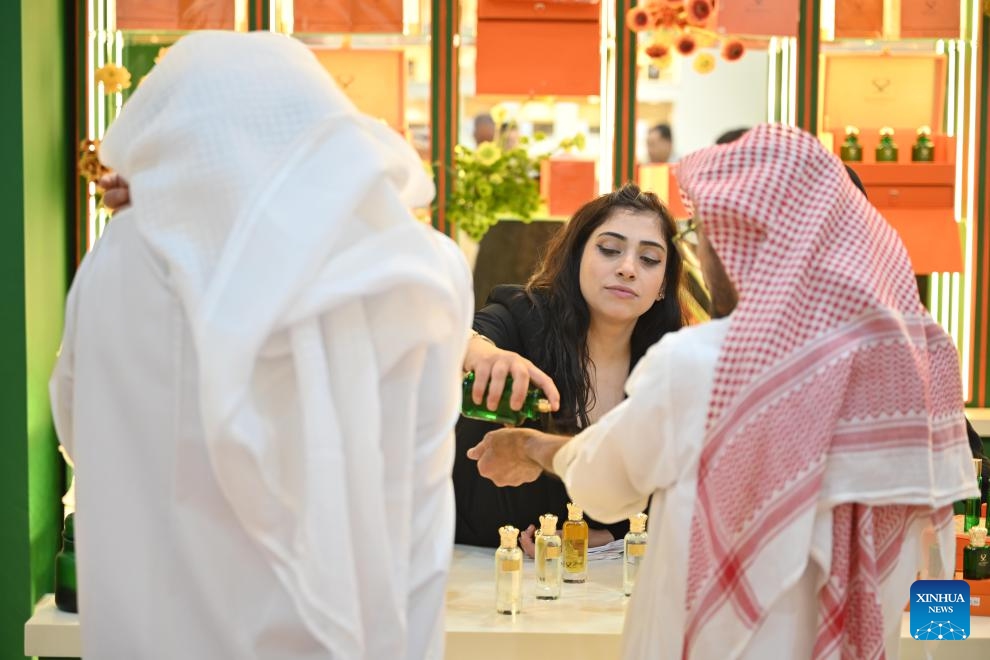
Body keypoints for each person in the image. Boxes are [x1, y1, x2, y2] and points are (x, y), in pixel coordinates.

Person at [467, 124, 977, 657]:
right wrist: (942, 641)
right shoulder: (921, 369)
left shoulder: (702, 362)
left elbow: (603, 482)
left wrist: (528, 446)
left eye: (706, 236)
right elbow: (939, 544)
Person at [50, 32, 473, 659]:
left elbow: (78, 425)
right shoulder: (408, 269)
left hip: (153, 625)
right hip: (329, 630)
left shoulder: (116, 259)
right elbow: (420, 484)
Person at [454, 183, 686, 552]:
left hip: (591, 585)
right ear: (576, 257)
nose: (627, 269)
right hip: (472, 561)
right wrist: (482, 353)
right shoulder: (523, 315)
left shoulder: (671, 364)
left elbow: (680, 481)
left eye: (649, 259)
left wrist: (611, 535)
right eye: (609, 250)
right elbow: (453, 339)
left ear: (662, 286)